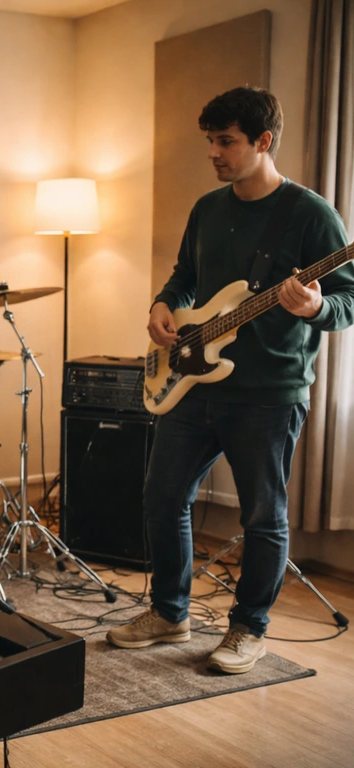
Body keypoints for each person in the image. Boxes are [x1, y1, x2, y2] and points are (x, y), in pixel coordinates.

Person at [106, 87, 354, 673]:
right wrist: (164, 305)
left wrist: (314, 307)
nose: (214, 152)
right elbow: (185, 277)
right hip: (196, 384)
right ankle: (170, 612)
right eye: (211, 141)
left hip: (269, 396)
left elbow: (347, 301)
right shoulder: (208, 208)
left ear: (263, 142)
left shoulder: (311, 214)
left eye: (226, 141)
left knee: (262, 515)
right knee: (162, 497)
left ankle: (249, 629)